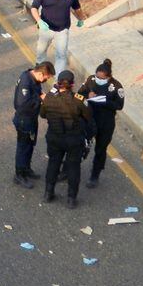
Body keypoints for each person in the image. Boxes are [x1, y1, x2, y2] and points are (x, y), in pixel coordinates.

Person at [39, 69, 92, 206]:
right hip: (73, 139)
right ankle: (71, 199)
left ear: (57, 83)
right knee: (73, 167)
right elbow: (88, 117)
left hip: (54, 137)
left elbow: (43, 114)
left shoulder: (49, 98)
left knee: (53, 164)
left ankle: (48, 193)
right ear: (73, 85)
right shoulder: (79, 100)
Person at [80, 59, 126, 188]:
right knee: (80, 145)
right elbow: (79, 94)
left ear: (109, 77)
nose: (99, 79)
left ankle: (95, 174)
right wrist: (87, 95)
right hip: (89, 120)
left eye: (102, 78)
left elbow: (119, 105)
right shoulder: (90, 80)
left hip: (105, 123)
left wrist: (104, 101)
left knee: (100, 149)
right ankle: (69, 169)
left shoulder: (116, 86)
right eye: (97, 76)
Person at [30, 0, 84, 68]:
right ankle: (39, 70)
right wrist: (39, 21)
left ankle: (58, 81)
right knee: (41, 52)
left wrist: (81, 19)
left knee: (61, 56)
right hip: (46, 28)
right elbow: (34, 7)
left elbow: (76, 7)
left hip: (62, 30)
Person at [12, 61, 53, 188]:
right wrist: (40, 99)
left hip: (31, 118)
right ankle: (19, 174)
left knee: (30, 145)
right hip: (24, 119)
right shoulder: (26, 81)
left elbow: (37, 91)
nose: (46, 80)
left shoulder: (34, 79)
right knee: (23, 147)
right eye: (46, 77)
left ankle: (26, 168)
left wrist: (41, 95)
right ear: (41, 73)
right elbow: (22, 105)